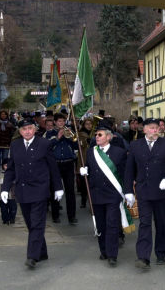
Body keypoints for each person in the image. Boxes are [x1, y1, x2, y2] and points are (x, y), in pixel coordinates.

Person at [1, 118, 64, 269]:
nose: (27, 131)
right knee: (31, 224)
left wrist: (58, 187)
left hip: (39, 190)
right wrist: (5, 188)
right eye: (24, 129)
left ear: (35, 129)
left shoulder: (44, 144)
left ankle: (32, 257)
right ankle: (42, 252)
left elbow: (52, 167)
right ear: (20, 131)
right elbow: (10, 168)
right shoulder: (15, 145)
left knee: (37, 223)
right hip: (22, 191)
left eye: (30, 128)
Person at [124, 118, 165, 269]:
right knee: (145, 223)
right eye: (151, 128)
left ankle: (161, 253)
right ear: (145, 130)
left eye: (156, 128)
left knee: (161, 224)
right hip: (143, 191)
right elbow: (129, 169)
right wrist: (128, 190)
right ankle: (143, 257)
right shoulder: (135, 145)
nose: (155, 130)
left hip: (161, 192)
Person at [79, 121, 128, 267]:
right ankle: (104, 251)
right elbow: (89, 167)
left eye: (100, 135)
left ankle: (112, 255)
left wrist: (128, 192)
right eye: (96, 134)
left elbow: (124, 174)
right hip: (96, 194)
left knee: (112, 224)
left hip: (113, 194)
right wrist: (84, 170)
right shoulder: (91, 152)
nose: (96, 137)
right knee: (100, 225)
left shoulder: (119, 153)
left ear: (108, 137)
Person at [50, 113, 78, 225]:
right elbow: (47, 146)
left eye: (63, 121)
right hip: (55, 164)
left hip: (68, 163)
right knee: (55, 190)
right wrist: (58, 137)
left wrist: (72, 138)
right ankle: (55, 215)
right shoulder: (50, 133)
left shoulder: (69, 132)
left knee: (70, 191)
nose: (62, 123)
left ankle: (72, 216)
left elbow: (76, 147)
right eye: (60, 121)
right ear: (55, 122)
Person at [0, 158, 17, 225]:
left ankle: (12, 218)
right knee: (4, 209)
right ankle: (5, 219)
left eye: (9, 165)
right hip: (1, 196)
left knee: (13, 209)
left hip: (12, 196)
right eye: (5, 165)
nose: (7, 167)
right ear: (2, 166)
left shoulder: (15, 174)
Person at [77, 118, 93, 208]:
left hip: (92, 159)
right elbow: (81, 144)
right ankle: (83, 200)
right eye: (87, 124)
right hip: (84, 159)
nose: (89, 126)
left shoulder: (94, 133)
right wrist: (86, 141)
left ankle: (92, 200)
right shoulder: (81, 133)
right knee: (84, 182)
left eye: (90, 124)